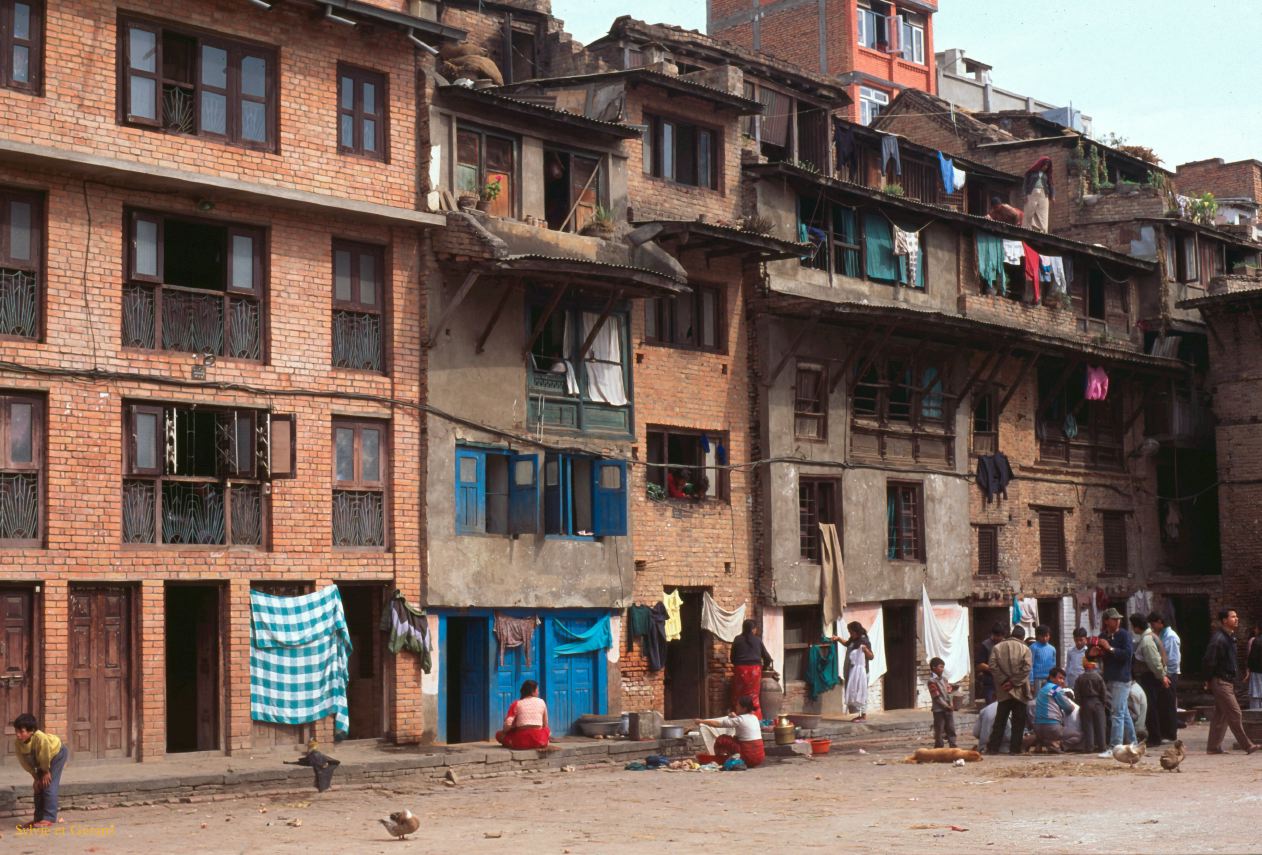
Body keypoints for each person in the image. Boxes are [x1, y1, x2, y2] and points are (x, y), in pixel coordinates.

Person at [1203, 608, 1258, 755]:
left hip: (1227, 680)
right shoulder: (1219, 639)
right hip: (1220, 681)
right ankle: (1247, 745)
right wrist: (1208, 679)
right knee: (1235, 713)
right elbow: (1209, 661)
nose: (1236, 619)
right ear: (1224, 620)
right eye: (1233, 617)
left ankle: (1213, 747)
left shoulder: (1229, 637)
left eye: (1236, 616)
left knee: (1220, 715)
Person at [14, 713, 68, 829]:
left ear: (31, 731)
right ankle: (38, 819)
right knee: (38, 786)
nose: (18, 735)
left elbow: (45, 756)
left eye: (21, 732)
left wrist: (46, 772)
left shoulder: (40, 738)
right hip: (41, 761)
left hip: (56, 754)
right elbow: (25, 762)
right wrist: (35, 777)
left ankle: (48, 818)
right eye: (16, 731)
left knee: (48, 785)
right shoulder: (18, 743)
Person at [987, 625, 1032, 756]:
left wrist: (1004, 681)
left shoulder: (997, 647)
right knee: (1019, 722)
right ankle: (1015, 749)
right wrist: (1013, 682)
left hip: (1003, 690)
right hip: (1019, 690)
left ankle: (993, 748)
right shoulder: (1025, 649)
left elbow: (992, 666)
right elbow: (1027, 668)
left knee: (1000, 720)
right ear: (1022, 637)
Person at [1096, 607, 1136, 752]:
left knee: (1117, 713)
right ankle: (1133, 743)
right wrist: (1095, 652)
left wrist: (1110, 648)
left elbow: (1127, 655)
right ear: (1106, 621)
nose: (1117, 621)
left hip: (1122, 678)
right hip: (1110, 677)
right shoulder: (1103, 636)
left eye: (1118, 619)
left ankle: (1115, 747)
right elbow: (1099, 656)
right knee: (1123, 712)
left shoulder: (1124, 635)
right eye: (1114, 619)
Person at [1130, 612, 1169, 748]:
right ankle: (1155, 735)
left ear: (1136, 627)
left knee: (1150, 708)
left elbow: (1154, 661)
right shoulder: (1150, 636)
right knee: (1152, 706)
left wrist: (1162, 676)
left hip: (1150, 677)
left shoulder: (1146, 640)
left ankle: (1154, 737)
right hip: (1152, 676)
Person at [697, 695, 765, 768]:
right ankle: (730, 756)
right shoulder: (754, 717)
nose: (736, 707)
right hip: (759, 757)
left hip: (747, 757)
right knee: (735, 738)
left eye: (738, 705)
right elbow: (743, 722)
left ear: (744, 708)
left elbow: (717, 724)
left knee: (722, 739)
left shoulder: (739, 719)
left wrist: (702, 721)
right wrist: (735, 717)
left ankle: (718, 758)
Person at [729, 619, 773, 721]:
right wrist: (765, 666)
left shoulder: (737, 639)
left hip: (740, 670)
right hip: (755, 671)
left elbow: (732, 658)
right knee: (753, 696)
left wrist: (739, 665)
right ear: (753, 629)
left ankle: (737, 720)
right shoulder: (757, 640)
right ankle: (755, 720)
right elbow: (767, 658)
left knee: (739, 695)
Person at [495, 680, 551, 750]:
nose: (538, 692)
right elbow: (545, 724)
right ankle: (544, 742)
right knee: (547, 730)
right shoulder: (542, 702)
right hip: (540, 741)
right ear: (533, 692)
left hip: (521, 742)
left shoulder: (516, 703)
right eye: (537, 690)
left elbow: (508, 724)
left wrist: (505, 732)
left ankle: (511, 742)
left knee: (498, 734)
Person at [1032, 667, 1076, 753]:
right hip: (1052, 727)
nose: (1062, 681)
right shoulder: (1055, 689)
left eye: (1063, 679)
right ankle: (1057, 745)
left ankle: (1044, 742)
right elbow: (1068, 708)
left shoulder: (1042, 689)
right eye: (1060, 678)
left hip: (1037, 728)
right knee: (1078, 735)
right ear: (1052, 678)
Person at [1151, 613, 1182, 732]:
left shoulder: (1170, 636)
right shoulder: (1162, 635)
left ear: (1160, 622)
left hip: (1170, 674)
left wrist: (1167, 675)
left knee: (1169, 705)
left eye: (1153, 624)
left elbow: (1173, 659)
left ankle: (1171, 733)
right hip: (1164, 674)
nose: (1152, 627)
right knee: (1164, 704)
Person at [1074, 650, 1108, 754]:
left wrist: (1080, 703)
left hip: (1085, 702)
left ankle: (1089, 747)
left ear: (1084, 666)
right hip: (1097, 702)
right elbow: (1103, 692)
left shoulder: (1080, 678)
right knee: (1100, 725)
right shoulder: (1099, 677)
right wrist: (1103, 702)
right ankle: (1102, 746)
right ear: (1093, 665)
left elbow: (1077, 693)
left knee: (1088, 725)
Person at [843, 621, 875, 722]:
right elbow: (847, 644)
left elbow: (871, 657)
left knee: (862, 692)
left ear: (856, 631)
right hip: (853, 672)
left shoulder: (864, 640)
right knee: (855, 692)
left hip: (862, 673)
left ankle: (863, 715)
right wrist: (838, 639)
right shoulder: (854, 639)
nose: (850, 634)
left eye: (851, 632)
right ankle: (859, 714)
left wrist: (865, 650)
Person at [926, 657, 957, 749]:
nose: (942, 669)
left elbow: (949, 692)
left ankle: (953, 745)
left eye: (943, 667)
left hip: (948, 708)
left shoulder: (944, 679)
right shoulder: (931, 681)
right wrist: (945, 705)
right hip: (938, 709)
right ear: (934, 667)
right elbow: (936, 696)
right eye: (941, 667)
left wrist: (951, 704)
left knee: (951, 728)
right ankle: (939, 746)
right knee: (939, 729)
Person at [975, 624, 1005, 705]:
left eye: (1001, 636)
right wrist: (994, 669)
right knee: (991, 706)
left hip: (1003, 682)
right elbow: (979, 664)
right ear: (993, 635)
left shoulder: (1006, 644)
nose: (999, 638)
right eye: (997, 636)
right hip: (990, 681)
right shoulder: (986, 645)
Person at [1023, 156, 1054, 232]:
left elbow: (1051, 185)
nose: (1045, 167)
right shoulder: (1031, 173)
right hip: (1032, 193)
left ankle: (1042, 231)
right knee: (1030, 211)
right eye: (1044, 165)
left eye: (1047, 166)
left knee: (1043, 213)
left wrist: (1052, 196)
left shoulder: (1047, 175)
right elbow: (1025, 184)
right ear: (1040, 164)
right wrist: (1025, 194)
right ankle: (1028, 229)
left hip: (1044, 194)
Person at [1030, 625, 1057, 693]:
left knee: (1050, 697)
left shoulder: (1052, 649)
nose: (1045, 638)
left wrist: (1054, 679)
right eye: (1042, 636)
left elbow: (1054, 666)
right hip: (1037, 679)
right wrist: (1031, 682)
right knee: (1038, 697)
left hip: (1049, 679)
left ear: (1049, 636)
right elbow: (1030, 666)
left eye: (1046, 636)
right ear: (1038, 636)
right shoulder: (1033, 648)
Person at [1247, 623, 1262, 711]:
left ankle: (1255, 713)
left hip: (1256, 670)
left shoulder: (1256, 641)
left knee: (1256, 693)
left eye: (1256, 628)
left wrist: (1248, 669)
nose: (1255, 630)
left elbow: (1252, 657)